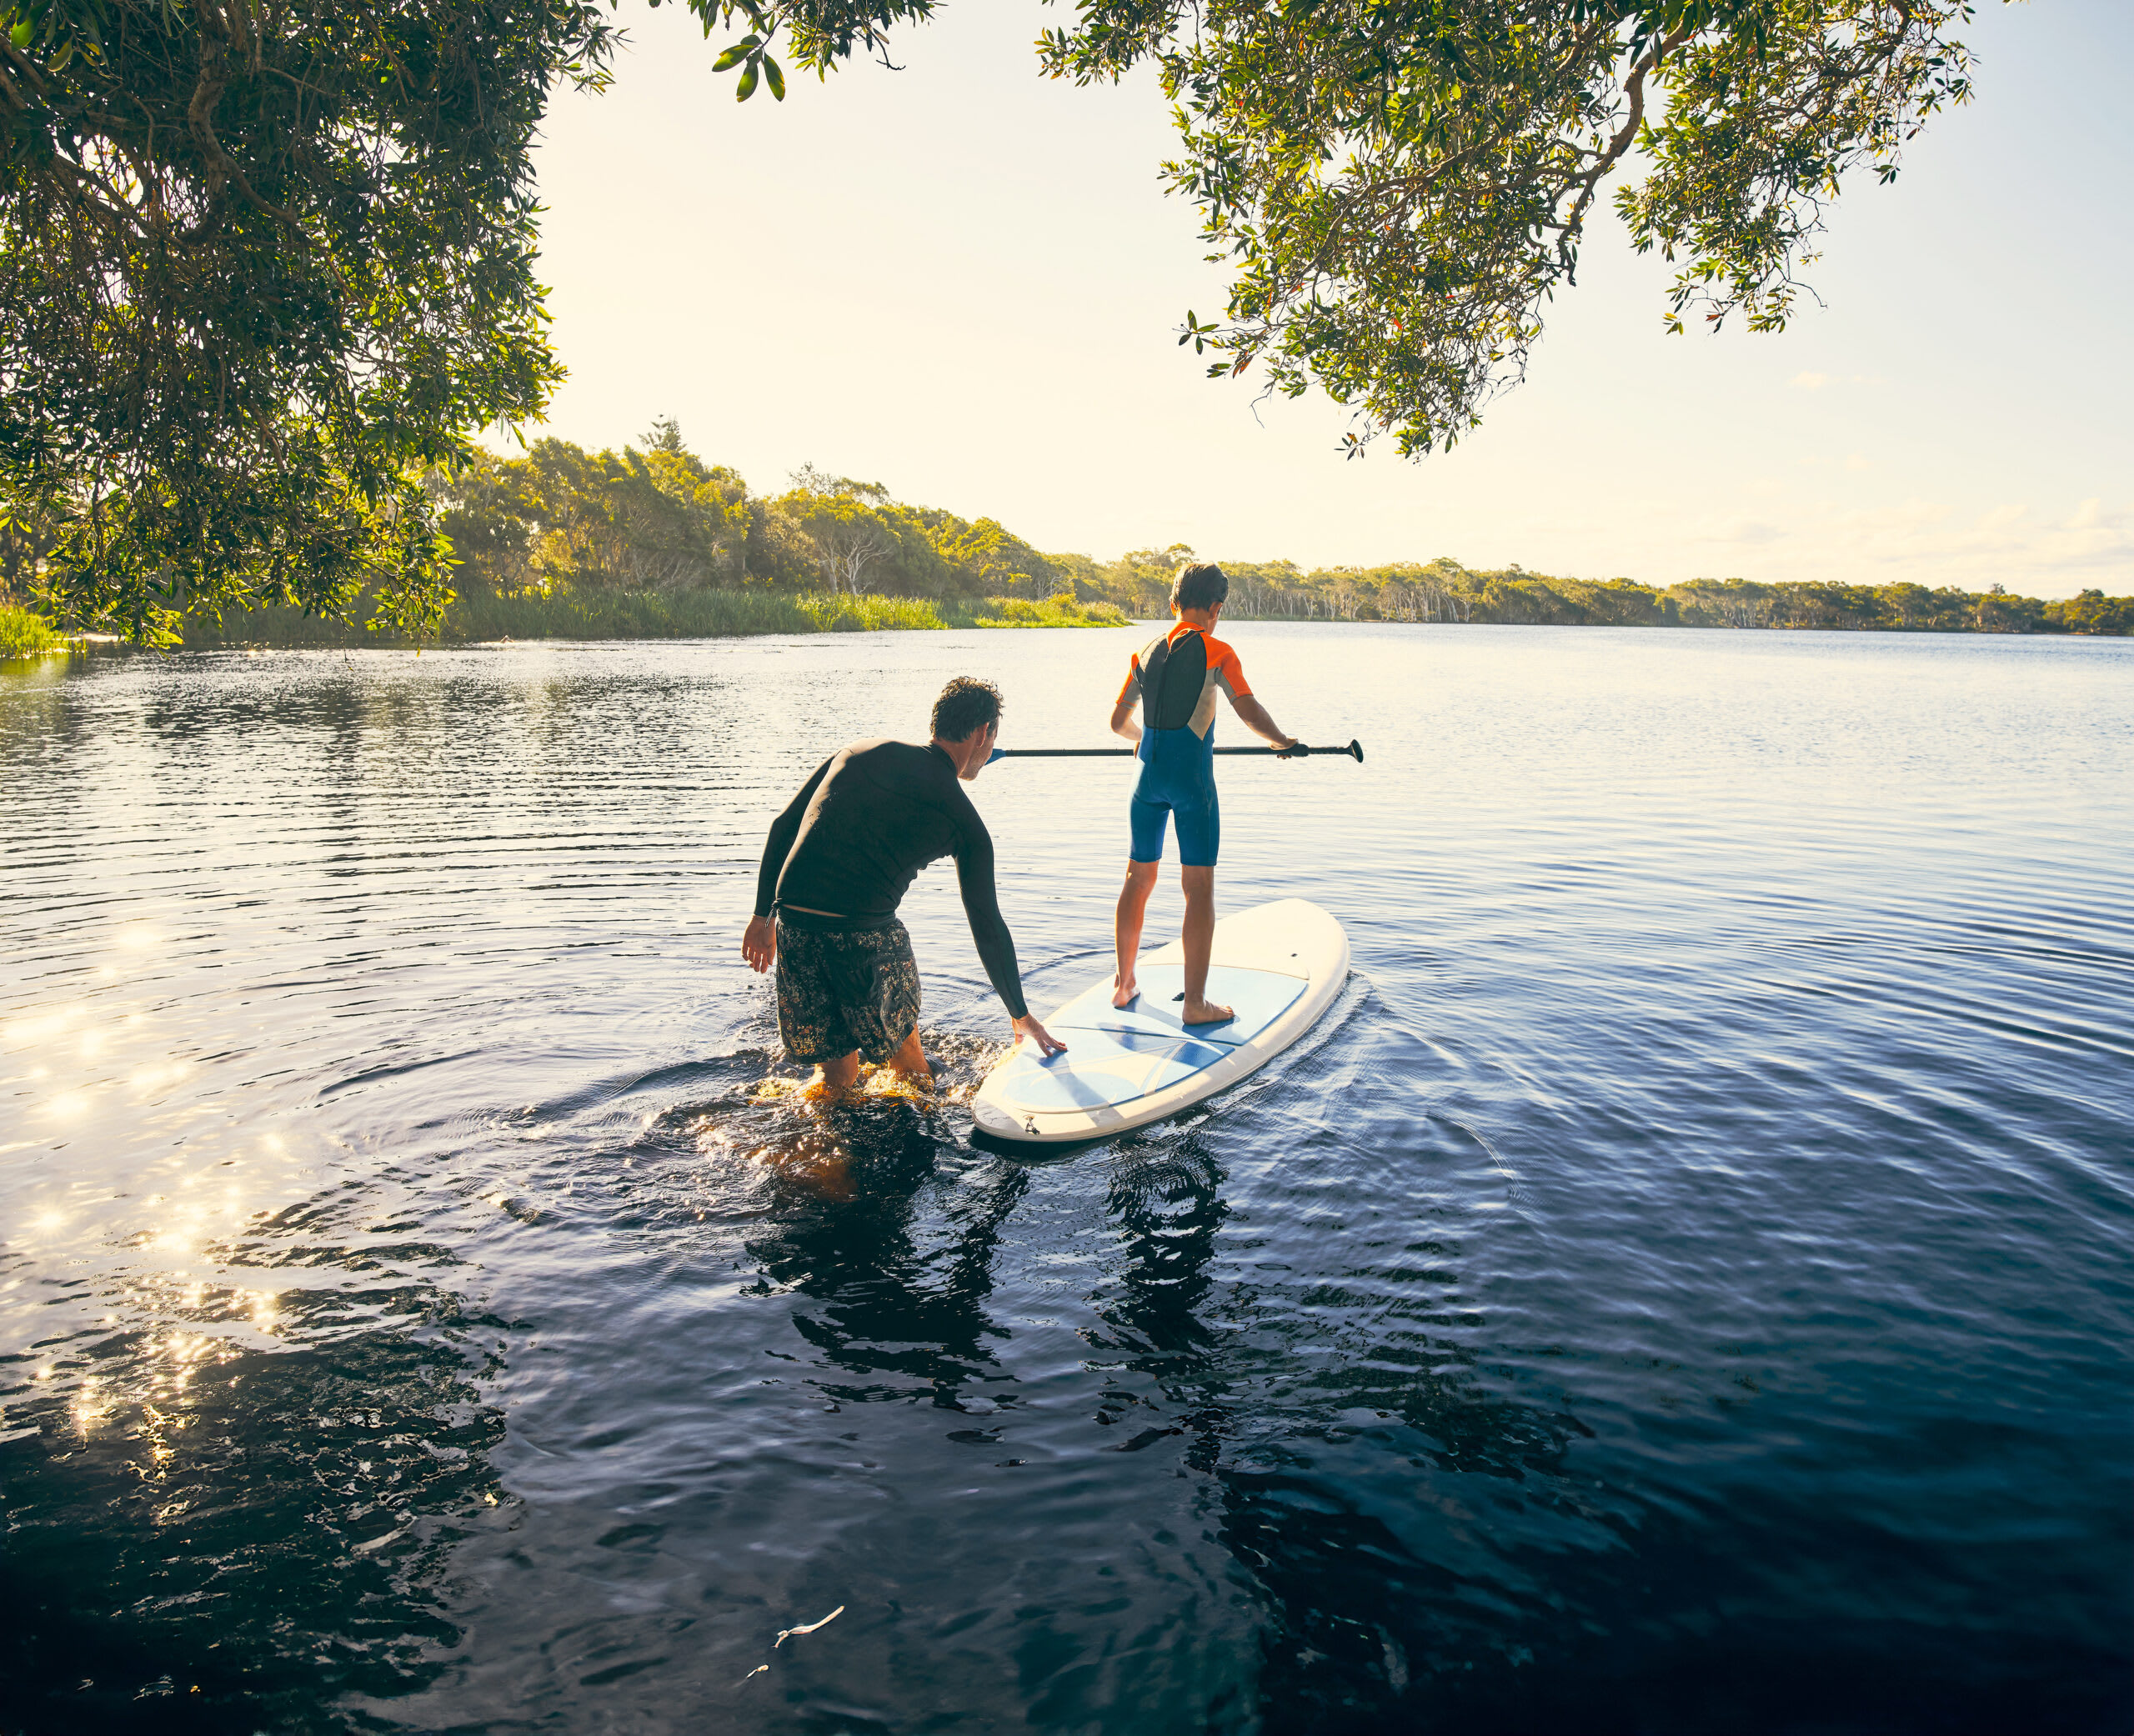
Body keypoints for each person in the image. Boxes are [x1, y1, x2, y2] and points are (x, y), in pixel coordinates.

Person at [743, 676, 1066, 1095]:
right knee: (911, 1066)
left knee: (836, 1078)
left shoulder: (858, 751)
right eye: (991, 740)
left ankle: (824, 1151)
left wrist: (761, 915)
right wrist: (1020, 1015)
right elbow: (986, 923)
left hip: (795, 927)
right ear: (984, 734)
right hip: (862, 937)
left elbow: (784, 826)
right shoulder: (965, 823)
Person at [1109, 563, 1300, 1025]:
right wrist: (1282, 742)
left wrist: (1141, 737)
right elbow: (1248, 710)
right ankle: (1195, 1004)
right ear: (1216, 608)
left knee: (1138, 879)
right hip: (1192, 784)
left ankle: (1124, 984)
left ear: (1173, 604)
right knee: (1198, 889)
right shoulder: (1218, 651)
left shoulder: (1144, 651)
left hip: (1145, 781)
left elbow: (1117, 724)